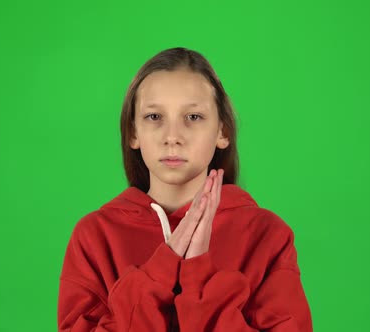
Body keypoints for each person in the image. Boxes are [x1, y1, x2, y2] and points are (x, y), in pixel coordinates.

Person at [57, 47, 313, 331]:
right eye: (154, 117)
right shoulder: (94, 237)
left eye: (193, 117)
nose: (172, 137)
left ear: (222, 132)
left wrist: (199, 275)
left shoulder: (267, 236)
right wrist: (163, 267)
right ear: (133, 133)